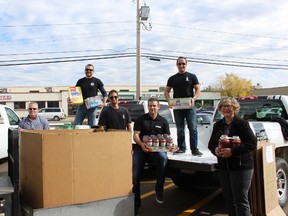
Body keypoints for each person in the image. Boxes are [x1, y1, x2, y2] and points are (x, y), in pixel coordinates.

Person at [208, 97, 257, 216]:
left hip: (241, 167)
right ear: (220, 109)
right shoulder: (218, 125)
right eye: (223, 106)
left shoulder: (242, 124)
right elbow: (211, 144)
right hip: (224, 167)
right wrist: (215, 150)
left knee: (241, 201)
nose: (226, 108)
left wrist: (232, 151)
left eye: (229, 106)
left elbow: (252, 144)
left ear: (234, 108)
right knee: (229, 200)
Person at [132, 97, 170, 216]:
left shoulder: (163, 121)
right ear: (148, 107)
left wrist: (170, 146)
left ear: (158, 107)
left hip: (157, 149)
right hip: (141, 148)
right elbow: (136, 135)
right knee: (136, 174)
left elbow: (167, 138)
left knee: (164, 158)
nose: (152, 108)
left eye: (154, 106)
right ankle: (136, 205)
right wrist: (142, 145)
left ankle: (159, 189)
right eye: (150, 106)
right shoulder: (141, 119)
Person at [164, 56, 202, 156]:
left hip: (190, 106)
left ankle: (194, 150)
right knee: (180, 129)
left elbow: (198, 89)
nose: (181, 65)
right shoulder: (172, 78)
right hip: (177, 107)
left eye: (183, 64)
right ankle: (181, 148)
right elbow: (166, 91)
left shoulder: (192, 76)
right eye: (179, 64)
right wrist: (169, 101)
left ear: (186, 64)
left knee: (192, 128)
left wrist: (194, 99)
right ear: (177, 65)